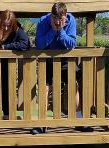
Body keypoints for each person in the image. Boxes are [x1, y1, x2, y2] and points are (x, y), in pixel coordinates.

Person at [32, 2, 79, 134]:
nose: (58, 21)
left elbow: (72, 43)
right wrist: (53, 30)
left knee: (74, 85)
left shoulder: (71, 20)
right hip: (47, 60)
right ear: (51, 15)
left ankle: (79, 120)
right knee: (44, 88)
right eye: (55, 18)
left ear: (65, 15)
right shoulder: (43, 21)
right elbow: (40, 45)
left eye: (61, 19)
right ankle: (42, 123)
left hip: (66, 61)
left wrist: (61, 31)